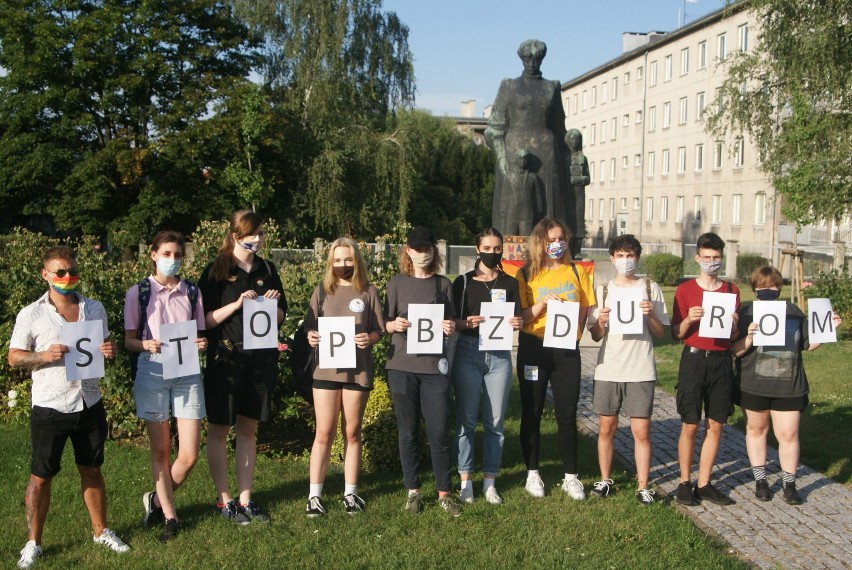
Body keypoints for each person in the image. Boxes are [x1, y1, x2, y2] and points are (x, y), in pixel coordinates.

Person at [9, 246, 130, 569]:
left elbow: (102, 349)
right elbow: (14, 356)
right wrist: (43, 356)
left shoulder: (94, 308)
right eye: (60, 272)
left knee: (92, 469)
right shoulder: (31, 314)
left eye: (71, 270)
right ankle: (34, 542)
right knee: (41, 476)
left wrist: (109, 350)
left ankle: (100, 530)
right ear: (45, 275)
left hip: (89, 402)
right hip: (51, 405)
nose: (67, 277)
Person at [199, 210, 287, 524]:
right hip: (226, 358)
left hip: (260, 361)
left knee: (249, 430)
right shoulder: (216, 271)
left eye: (262, 234)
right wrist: (236, 305)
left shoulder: (267, 268)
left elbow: (280, 319)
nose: (260, 240)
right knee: (220, 430)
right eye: (254, 235)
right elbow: (204, 321)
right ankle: (225, 501)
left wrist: (274, 306)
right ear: (237, 236)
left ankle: (246, 499)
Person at [123, 231, 207, 541]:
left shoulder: (192, 292)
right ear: (154, 255)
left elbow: (199, 334)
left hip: (186, 371)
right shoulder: (139, 293)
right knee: (160, 451)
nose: (173, 260)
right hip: (153, 370)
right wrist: (145, 344)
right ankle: (171, 516)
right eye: (167, 254)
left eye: (178, 255)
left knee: (188, 455)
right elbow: (129, 341)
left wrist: (201, 344)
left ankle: (155, 500)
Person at [732, 267, 841, 505]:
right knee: (756, 430)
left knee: (789, 434)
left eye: (772, 286)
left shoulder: (793, 312)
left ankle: (789, 484)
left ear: (779, 288)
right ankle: (760, 481)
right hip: (753, 383)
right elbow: (735, 351)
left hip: (788, 384)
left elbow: (807, 345)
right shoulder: (746, 312)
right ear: (754, 287)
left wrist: (829, 328)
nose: (767, 290)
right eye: (761, 286)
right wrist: (749, 336)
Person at [303, 237, 385, 517]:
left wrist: (369, 338)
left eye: (348, 259)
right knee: (323, 433)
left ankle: (351, 492)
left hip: (356, 371)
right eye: (337, 260)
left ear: (357, 260)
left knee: (351, 432)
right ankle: (314, 495)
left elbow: (378, 330)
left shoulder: (368, 292)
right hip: (325, 371)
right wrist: (310, 336)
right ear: (330, 262)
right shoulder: (321, 292)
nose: (343, 265)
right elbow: (309, 328)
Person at [515, 218, 595, 499]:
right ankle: (532, 473)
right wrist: (541, 304)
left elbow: (586, 306)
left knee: (566, 413)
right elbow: (521, 318)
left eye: (561, 238)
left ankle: (570, 477)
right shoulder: (525, 275)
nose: (557, 244)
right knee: (532, 411)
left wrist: (577, 330)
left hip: (565, 351)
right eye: (551, 240)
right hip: (534, 348)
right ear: (540, 242)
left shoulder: (577, 270)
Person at [384, 227, 461, 516]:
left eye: (427, 248)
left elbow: (451, 323)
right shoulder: (396, 284)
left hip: (433, 368)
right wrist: (393, 326)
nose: (422, 254)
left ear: (434, 251)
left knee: (439, 431)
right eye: (417, 249)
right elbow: (384, 322)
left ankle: (444, 492)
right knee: (408, 432)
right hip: (401, 366)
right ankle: (413, 491)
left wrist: (449, 327)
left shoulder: (443, 285)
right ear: (408, 251)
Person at [586, 235, 668, 505]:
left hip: (640, 368)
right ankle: (605, 478)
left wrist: (650, 316)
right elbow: (596, 336)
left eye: (630, 255)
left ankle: (643, 485)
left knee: (641, 431)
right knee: (606, 427)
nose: (625, 260)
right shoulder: (603, 290)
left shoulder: (649, 287)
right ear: (612, 258)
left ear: (638, 257)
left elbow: (659, 333)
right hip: (609, 368)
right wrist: (602, 321)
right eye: (620, 255)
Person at [451, 228, 523, 505]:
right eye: (487, 248)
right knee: (466, 420)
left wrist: (518, 322)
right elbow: (452, 321)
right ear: (477, 249)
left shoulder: (510, 283)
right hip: (468, 352)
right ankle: (466, 481)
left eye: (497, 248)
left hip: (500, 356)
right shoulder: (464, 282)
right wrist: (466, 323)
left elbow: (517, 317)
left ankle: (490, 482)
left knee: (495, 422)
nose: (492, 253)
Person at [671, 232, 740, 506]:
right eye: (707, 257)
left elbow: (733, 337)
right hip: (694, 358)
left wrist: (735, 325)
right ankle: (684, 482)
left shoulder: (731, 291)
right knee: (690, 423)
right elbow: (676, 333)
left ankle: (705, 482)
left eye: (716, 258)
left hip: (721, 360)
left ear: (721, 259)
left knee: (716, 424)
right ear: (697, 258)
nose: (712, 262)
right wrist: (689, 319)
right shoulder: (685, 290)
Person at [486, 39, 572, 236]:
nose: (532, 63)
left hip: (547, 153)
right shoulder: (509, 86)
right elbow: (494, 127)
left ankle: (550, 248)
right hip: (513, 149)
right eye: (528, 58)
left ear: (542, 59)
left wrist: (570, 158)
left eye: (537, 59)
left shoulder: (552, 87)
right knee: (512, 207)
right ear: (522, 59)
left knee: (549, 206)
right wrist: (502, 159)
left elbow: (560, 128)